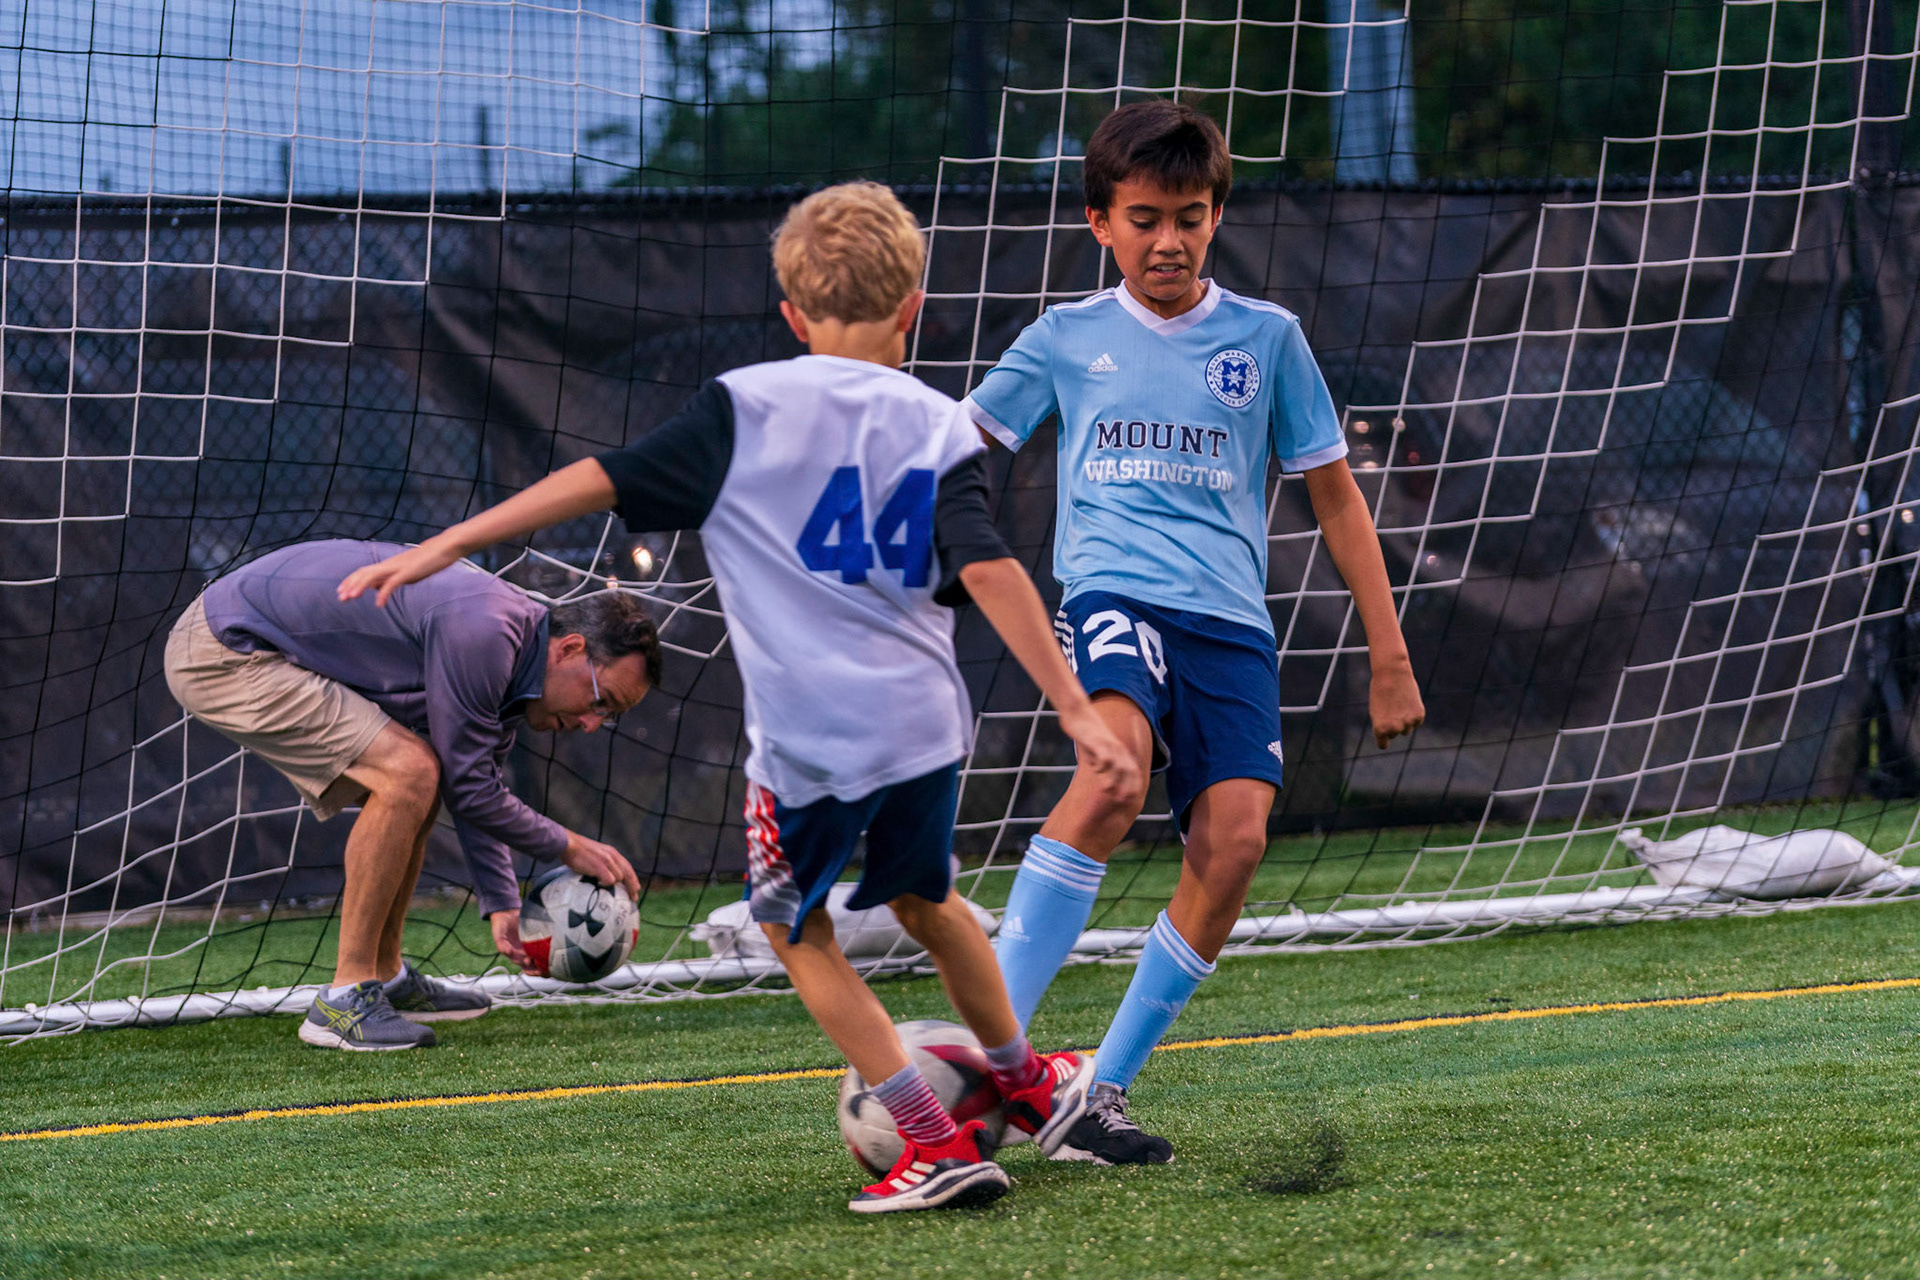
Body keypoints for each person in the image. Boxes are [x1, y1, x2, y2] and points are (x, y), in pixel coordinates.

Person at [338, 182, 1144, 1213]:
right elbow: (989, 569)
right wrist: (1075, 707)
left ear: (793, 316)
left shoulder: (745, 405)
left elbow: (596, 474)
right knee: (929, 899)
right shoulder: (944, 425)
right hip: (925, 727)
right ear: (915, 306)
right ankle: (1028, 1077)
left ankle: (933, 1139)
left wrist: (452, 540)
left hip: (810, 745)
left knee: (789, 925)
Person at [962, 101, 1427, 1164]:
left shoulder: (1267, 340)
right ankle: (989, 1066)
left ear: (1216, 216)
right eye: (1143, 218)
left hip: (1228, 622)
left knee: (1235, 846)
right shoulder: (1065, 338)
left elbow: (1337, 497)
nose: (1166, 239)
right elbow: (961, 443)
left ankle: (1095, 1092)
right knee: (1114, 767)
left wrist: (1386, 650)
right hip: (1112, 592)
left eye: (1189, 216)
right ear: (1099, 223)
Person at [166, 540, 654, 1050]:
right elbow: (470, 788)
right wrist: (570, 846)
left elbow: (473, 779)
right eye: (602, 701)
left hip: (246, 637)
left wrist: (503, 902)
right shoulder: (487, 631)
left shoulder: (514, 655)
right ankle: (344, 998)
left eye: (611, 717)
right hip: (226, 649)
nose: (593, 724)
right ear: (570, 648)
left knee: (421, 772)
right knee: (409, 772)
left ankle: (386, 975)